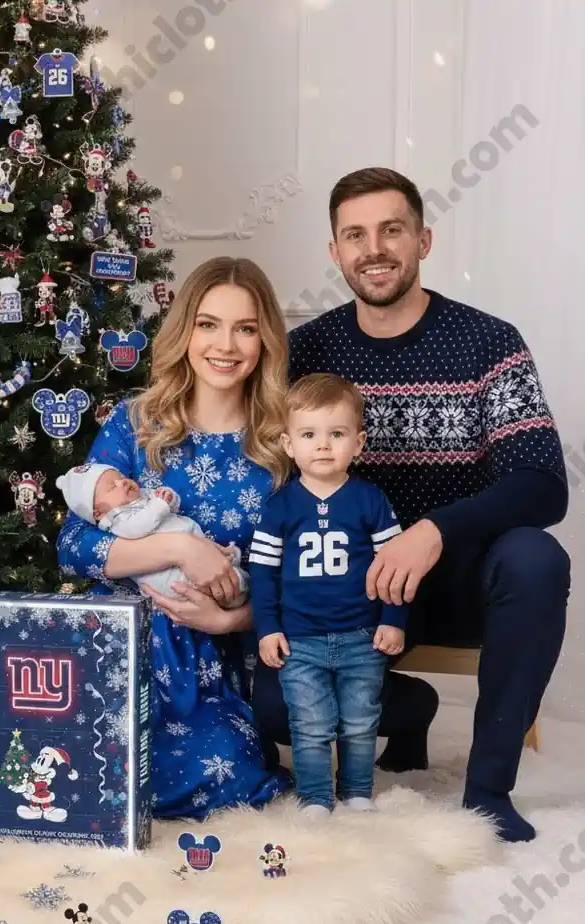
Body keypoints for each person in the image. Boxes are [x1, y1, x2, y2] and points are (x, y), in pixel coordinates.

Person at [253, 167, 569, 842]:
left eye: (392, 230)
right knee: (274, 711)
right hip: (339, 594)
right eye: (355, 235)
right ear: (335, 252)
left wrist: (432, 530)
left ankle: (487, 791)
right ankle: (410, 709)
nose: (375, 249)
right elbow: (260, 469)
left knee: (537, 559)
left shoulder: (489, 343)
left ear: (422, 240)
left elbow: (544, 484)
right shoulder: (307, 353)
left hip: (455, 578)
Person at [56, 257, 293, 818]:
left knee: (228, 768)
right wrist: (180, 547)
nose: (226, 345)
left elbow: (307, 574)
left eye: (246, 328)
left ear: (266, 340)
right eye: (208, 324)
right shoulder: (135, 421)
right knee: (49, 755)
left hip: (210, 659)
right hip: (118, 637)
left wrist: (233, 620)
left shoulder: (285, 440)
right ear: (184, 330)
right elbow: (73, 547)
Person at [250, 373, 407, 816]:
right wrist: (268, 629)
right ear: (287, 443)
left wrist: (394, 620)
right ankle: (316, 797)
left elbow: (395, 568)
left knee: (360, 722)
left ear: (358, 443)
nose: (323, 445)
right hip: (300, 640)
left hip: (362, 635)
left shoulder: (370, 500)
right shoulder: (280, 506)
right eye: (309, 434)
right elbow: (263, 573)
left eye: (336, 434)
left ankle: (357, 792)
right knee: (310, 723)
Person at [54, 464, 249, 605]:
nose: (122, 483)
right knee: (197, 585)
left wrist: (168, 498)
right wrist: (159, 505)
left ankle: (232, 572)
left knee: (217, 562)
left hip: (194, 545)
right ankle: (229, 593)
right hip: (169, 576)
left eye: (121, 477)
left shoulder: (142, 497)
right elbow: (137, 527)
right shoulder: (116, 520)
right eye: (112, 487)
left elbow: (170, 508)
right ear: (97, 513)